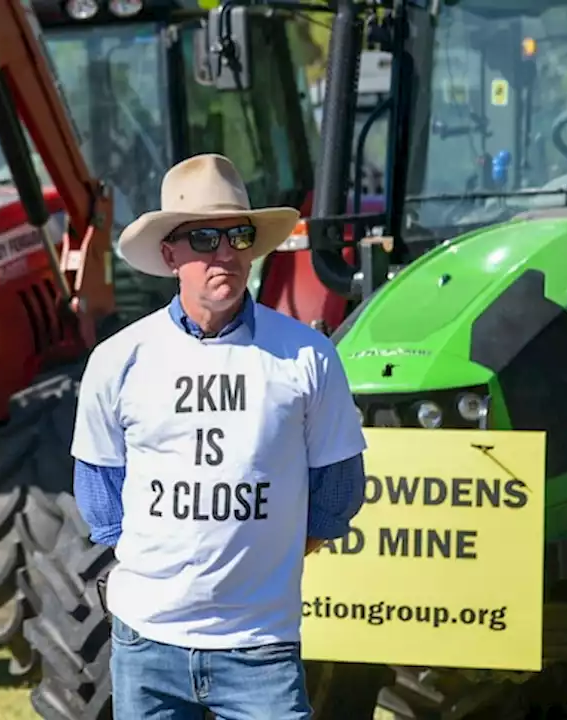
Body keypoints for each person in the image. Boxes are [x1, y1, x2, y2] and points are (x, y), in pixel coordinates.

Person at [71, 154, 368, 719]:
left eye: (238, 235)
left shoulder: (307, 355)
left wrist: (270, 551)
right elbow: (100, 491)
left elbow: (338, 489)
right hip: (147, 644)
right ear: (170, 254)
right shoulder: (118, 360)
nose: (224, 253)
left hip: (260, 646)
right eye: (204, 238)